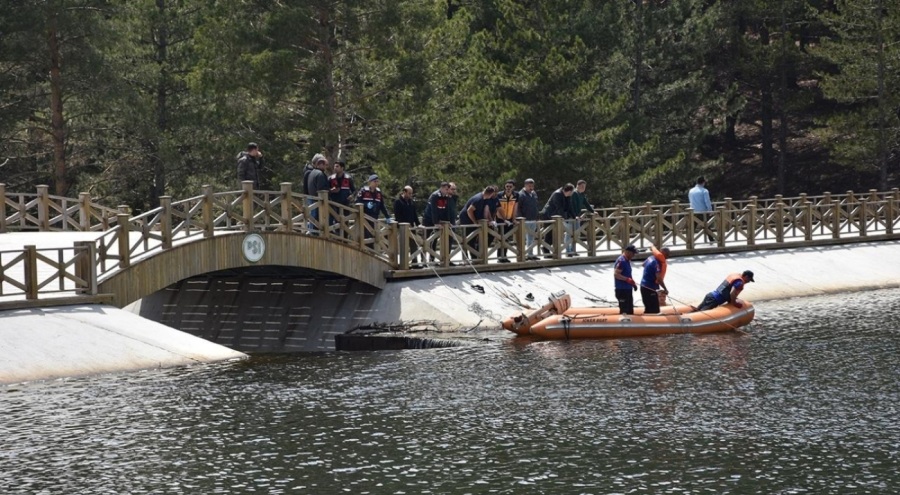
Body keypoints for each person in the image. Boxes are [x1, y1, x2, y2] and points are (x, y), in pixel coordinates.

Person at [458, 185, 498, 259]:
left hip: (476, 219)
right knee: (469, 239)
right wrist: (475, 222)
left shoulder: (485, 198)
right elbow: (469, 211)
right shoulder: (478, 199)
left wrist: (490, 221)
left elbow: (487, 211)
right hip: (467, 219)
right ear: (491, 194)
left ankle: (477, 256)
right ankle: (472, 258)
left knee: (484, 236)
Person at [541, 183, 576, 258]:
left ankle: (548, 249)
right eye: (572, 192)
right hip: (548, 215)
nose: (572, 194)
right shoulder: (557, 194)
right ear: (569, 191)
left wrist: (574, 216)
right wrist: (565, 218)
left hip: (556, 217)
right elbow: (559, 208)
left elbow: (570, 207)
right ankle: (546, 250)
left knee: (554, 234)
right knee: (549, 233)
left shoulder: (567, 196)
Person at [422, 182, 453, 263]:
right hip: (428, 219)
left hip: (438, 220)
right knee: (426, 240)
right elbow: (434, 210)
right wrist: (436, 223)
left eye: (448, 189)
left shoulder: (445, 197)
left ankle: (432, 259)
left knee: (434, 240)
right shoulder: (435, 196)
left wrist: (447, 221)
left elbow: (445, 210)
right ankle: (423, 260)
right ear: (442, 188)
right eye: (446, 189)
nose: (447, 191)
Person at [355, 174, 390, 241]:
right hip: (364, 218)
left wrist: (387, 216)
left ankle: (372, 250)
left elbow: (382, 206)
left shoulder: (379, 192)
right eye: (375, 181)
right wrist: (366, 204)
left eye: (377, 181)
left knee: (374, 236)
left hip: (374, 218)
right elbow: (357, 202)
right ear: (370, 182)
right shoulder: (363, 191)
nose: (376, 183)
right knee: (366, 236)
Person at [393, 185, 421, 264]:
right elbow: (397, 215)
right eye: (409, 193)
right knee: (403, 245)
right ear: (404, 192)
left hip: (411, 227)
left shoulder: (411, 202)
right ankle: (403, 262)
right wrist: (403, 224)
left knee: (413, 244)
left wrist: (418, 224)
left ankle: (414, 262)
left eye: (411, 193)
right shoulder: (398, 202)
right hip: (402, 227)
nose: (410, 195)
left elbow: (414, 214)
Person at [639, 245, 670, 314]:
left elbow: (643, 264)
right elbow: (659, 279)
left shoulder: (650, 257)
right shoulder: (657, 263)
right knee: (655, 310)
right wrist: (665, 289)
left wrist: (649, 271)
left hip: (643, 286)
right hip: (650, 288)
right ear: (662, 253)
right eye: (667, 254)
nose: (668, 256)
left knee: (648, 308)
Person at [568, 179, 595, 256]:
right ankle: (568, 250)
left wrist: (592, 211)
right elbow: (571, 206)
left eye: (584, 186)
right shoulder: (574, 193)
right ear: (578, 185)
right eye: (582, 186)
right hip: (571, 217)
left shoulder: (581, 194)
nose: (583, 188)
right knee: (570, 234)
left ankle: (573, 250)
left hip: (577, 217)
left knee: (576, 234)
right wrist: (574, 215)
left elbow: (586, 204)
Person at [304, 153, 329, 232]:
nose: (326, 166)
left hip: (311, 200)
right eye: (325, 164)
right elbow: (321, 190)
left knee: (312, 219)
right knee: (316, 220)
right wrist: (331, 191)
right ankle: (315, 233)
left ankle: (312, 232)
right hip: (317, 202)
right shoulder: (320, 174)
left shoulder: (310, 173)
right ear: (320, 164)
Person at [496, 180, 518, 262]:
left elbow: (515, 207)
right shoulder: (499, 195)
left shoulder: (516, 195)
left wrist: (514, 219)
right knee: (501, 238)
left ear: (513, 187)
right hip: (500, 220)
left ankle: (504, 256)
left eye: (510, 187)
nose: (508, 188)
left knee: (507, 238)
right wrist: (503, 219)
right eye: (507, 186)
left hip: (510, 219)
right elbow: (497, 209)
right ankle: (500, 256)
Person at [517, 178, 540, 260]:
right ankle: (523, 254)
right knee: (523, 238)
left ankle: (530, 254)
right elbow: (518, 208)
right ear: (525, 185)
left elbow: (536, 206)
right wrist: (520, 218)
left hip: (533, 219)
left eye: (532, 186)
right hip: (524, 220)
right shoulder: (521, 194)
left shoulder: (534, 194)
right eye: (529, 186)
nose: (531, 187)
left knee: (531, 237)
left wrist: (537, 216)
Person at [613, 244, 639, 314]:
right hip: (622, 290)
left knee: (630, 310)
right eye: (633, 253)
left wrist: (633, 284)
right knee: (625, 310)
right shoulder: (622, 261)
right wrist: (627, 279)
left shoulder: (627, 261)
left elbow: (628, 274)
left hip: (627, 289)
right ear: (628, 252)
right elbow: (616, 274)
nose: (634, 255)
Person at [688, 176, 715, 243]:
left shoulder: (691, 191)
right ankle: (711, 239)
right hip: (703, 212)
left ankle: (689, 240)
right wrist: (710, 210)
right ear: (703, 182)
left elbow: (690, 201)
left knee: (693, 226)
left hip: (693, 211)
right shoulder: (704, 191)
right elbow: (707, 201)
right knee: (706, 225)